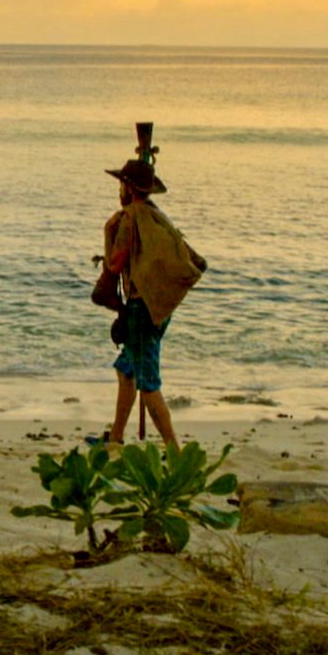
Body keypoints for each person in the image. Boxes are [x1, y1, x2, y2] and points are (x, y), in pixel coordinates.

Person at [99, 158, 206, 451]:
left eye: (122, 184)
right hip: (157, 308)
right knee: (126, 371)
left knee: (147, 383)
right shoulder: (156, 216)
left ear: (128, 188)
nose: (119, 189)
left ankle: (174, 449)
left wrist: (108, 233)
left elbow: (115, 263)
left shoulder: (130, 218)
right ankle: (116, 437)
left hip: (140, 308)